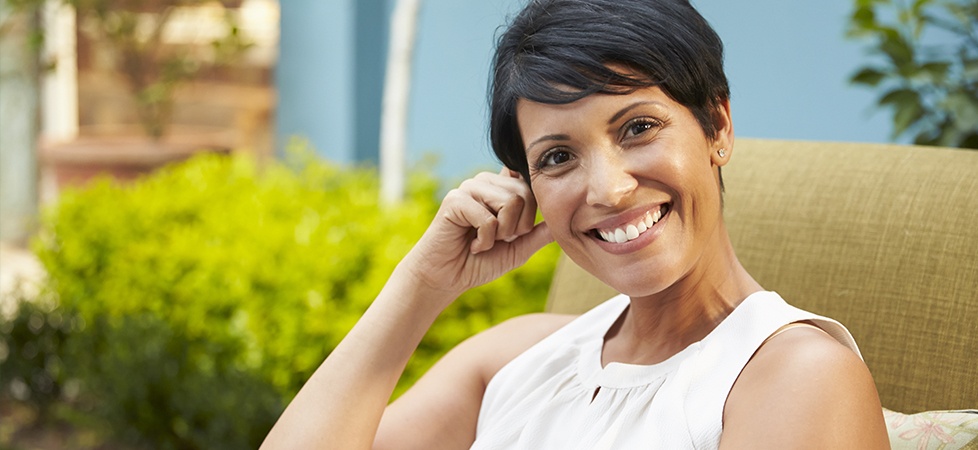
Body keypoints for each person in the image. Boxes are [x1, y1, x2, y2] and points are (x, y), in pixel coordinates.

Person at [262, 0, 889, 448]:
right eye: (557, 157)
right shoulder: (517, 359)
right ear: (526, 186)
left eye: (638, 127)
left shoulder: (794, 377)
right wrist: (423, 284)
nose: (610, 189)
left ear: (717, 126)